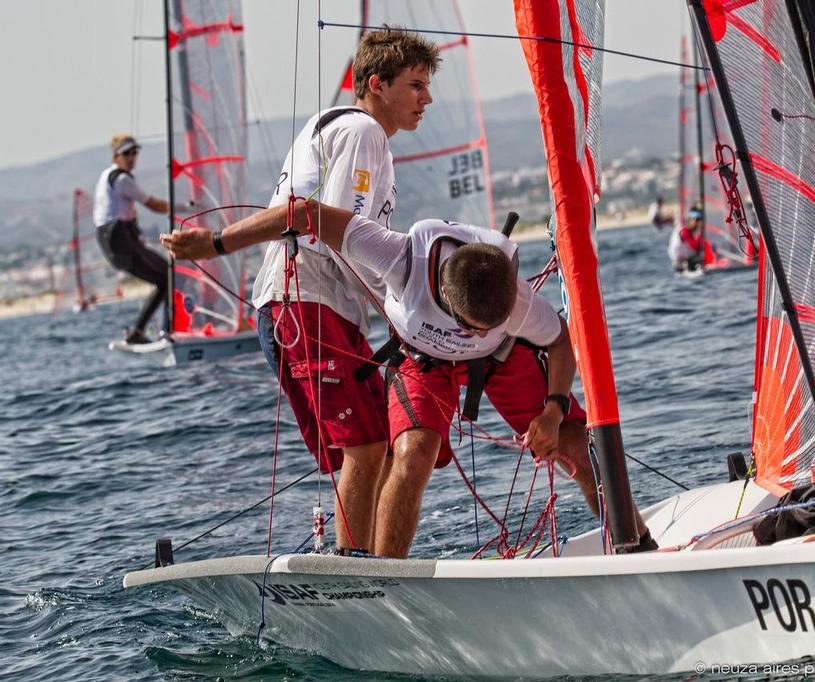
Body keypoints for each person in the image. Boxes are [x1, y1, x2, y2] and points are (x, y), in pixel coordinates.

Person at [160, 200, 657, 559]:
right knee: (414, 450)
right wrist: (215, 243)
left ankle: (636, 543)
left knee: (573, 440)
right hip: (423, 359)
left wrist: (551, 410)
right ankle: (382, 578)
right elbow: (303, 213)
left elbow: (560, 341)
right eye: (475, 326)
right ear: (446, 296)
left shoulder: (521, 305)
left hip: (503, 361)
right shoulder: (400, 257)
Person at [246, 28, 439, 553]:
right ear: (376, 84)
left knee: (370, 445)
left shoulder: (353, 133)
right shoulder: (363, 132)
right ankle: (357, 571)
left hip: (311, 305)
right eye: (416, 85)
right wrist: (410, 307)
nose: (427, 99)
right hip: (306, 300)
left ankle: (365, 563)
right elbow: (338, 233)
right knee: (368, 443)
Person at [93, 135, 171, 344]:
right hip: (120, 242)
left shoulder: (105, 176)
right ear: (116, 155)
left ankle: (142, 331)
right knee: (170, 276)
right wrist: (187, 207)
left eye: (135, 151)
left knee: (165, 279)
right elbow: (152, 204)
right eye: (127, 152)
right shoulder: (121, 179)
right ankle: (163, 331)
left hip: (114, 242)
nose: (132, 157)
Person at [668, 203, 705, 273]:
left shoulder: (689, 229)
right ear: (690, 219)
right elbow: (694, 246)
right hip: (681, 265)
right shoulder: (684, 230)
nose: (699, 222)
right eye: (697, 220)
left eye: (701, 219)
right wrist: (702, 235)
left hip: (687, 260)